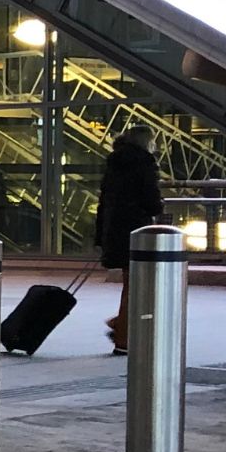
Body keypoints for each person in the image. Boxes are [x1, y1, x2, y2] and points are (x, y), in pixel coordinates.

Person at [96, 125, 164, 354]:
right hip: (137, 231)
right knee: (137, 287)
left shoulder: (114, 163)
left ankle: (121, 325)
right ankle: (123, 335)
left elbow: (104, 201)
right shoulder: (144, 163)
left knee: (132, 285)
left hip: (115, 231)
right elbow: (152, 200)